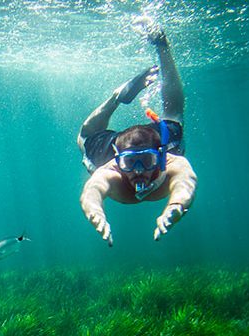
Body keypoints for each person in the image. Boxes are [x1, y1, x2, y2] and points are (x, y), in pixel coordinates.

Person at [77, 20, 197, 246]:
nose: (139, 171)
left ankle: (162, 43)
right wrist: (96, 213)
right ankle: (116, 97)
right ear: (118, 160)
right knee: (85, 137)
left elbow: (186, 181)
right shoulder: (109, 169)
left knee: (173, 117)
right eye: (131, 163)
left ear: (161, 157)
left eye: (147, 161)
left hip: (153, 140)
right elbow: (91, 191)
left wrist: (176, 206)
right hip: (114, 144)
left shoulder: (172, 161)